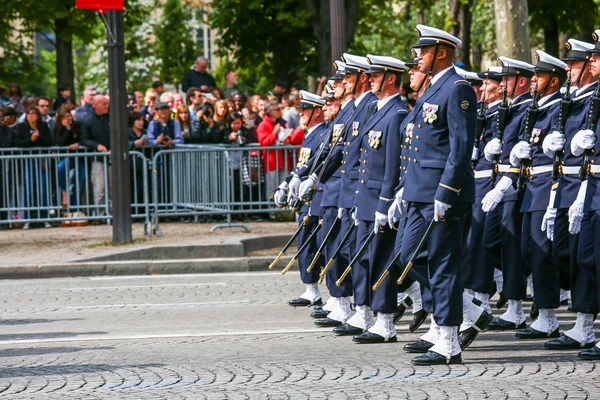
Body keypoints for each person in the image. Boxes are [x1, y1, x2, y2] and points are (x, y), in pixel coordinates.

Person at [396, 25, 485, 365]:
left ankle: (449, 340)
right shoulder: (432, 88)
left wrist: (447, 191)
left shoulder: (457, 87)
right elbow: (420, 145)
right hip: (420, 192)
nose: (417, 57)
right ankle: (453, 315)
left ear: (441, 53)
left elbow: (461, 146)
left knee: (444, 263)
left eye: (423, 50)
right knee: (409, 256)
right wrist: (406, 186)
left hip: (444, 193)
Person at [543, 38, 599, 352]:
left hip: (589, 187)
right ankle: (583, 324)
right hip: (579, 185)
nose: (573, 68)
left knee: (589, 257)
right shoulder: (577, 98)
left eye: (585, 60)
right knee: (576, 256)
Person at [482, 57, 535, 332]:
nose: (502, 85)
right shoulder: (510, 108)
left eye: (507, 80)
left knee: (513, 248)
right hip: (499, 180)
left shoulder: (527, 108)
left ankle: (516, 307)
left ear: (521, 81)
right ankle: (515, 283)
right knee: (492, 242)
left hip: (513, 185)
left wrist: (504, 181)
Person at [273, 91, 328, 307]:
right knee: (306, 244)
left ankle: (336, 294)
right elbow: (301, 166)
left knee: (321, 246)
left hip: (317, 196)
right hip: (305, 197)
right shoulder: (310, 134)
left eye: (305, 110)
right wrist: (286, 183)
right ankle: (311, 289)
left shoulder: (323, 133)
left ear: (317, 111)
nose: (301, 114)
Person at [14, 106, 52, 229]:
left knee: (43, 190)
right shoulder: (21, 127)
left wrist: (38, 138)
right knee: (28, 191)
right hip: (27, 161)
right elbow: (18, 143)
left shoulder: (44, 126)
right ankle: (28, 219)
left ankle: (45, 218)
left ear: (38, 116)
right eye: (29, 114)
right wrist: (31, 140)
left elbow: (49, 142)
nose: (31, 116)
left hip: (41, 161)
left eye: (33, 114)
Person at [257, 101, 298, 195]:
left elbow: (289, 137)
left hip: (284, 159)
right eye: (278, 109)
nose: (280, 111)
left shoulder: (282, 123)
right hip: (271, 161)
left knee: (284, 185)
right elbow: (264, 143)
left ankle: (282, 207)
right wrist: (274, 133)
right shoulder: (263, 125)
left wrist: (288, 140)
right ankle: (272, 207)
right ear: (270, 111)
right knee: (272, 187)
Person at [80, 94, 111, 217]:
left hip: (113, 157)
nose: (106, 106)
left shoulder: (113, 117)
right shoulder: (88, 120)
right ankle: (100, 215)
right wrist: (97, 146)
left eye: (107, 103)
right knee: (99, 189)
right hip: (97, 158)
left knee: (114, 188)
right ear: (95, 105)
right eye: (104, 104)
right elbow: (84, 139)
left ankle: (115, 214)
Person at [53, 105, 86, 208]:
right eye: (65, 117)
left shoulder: (79, 125)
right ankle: (64, 192)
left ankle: (76, 208)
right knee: (60, 167)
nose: (69, 119)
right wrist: (67, 129)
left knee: (80, 181)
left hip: (80, 158)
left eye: (69, 116)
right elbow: (59, 142)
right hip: (66, 157)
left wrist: (78, 144)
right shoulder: (58, 128)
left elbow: (83, 138)